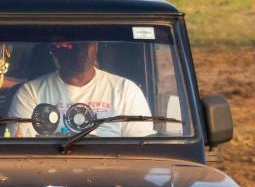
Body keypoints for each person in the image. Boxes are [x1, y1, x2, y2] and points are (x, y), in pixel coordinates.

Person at [11, 40, 152, 137]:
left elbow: (141, 152)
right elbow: (26, 150)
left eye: (86, 44)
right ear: (56, 50)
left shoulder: (125, 91)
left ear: (96, 46)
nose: (80, 51)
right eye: (71, 45)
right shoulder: (31, 93)